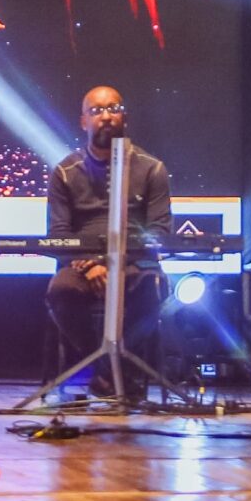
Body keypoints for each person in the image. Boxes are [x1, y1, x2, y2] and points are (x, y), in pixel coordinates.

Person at [45, 84, 173, 386]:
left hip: (134, 262)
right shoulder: (65, 172)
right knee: (61, 291)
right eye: (96, 110)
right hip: (82, 264)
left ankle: (121, 375)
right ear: (83, 121)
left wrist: (115, 263)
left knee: (150, 288)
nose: (105, 116)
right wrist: (90, 264)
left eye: (113, 109)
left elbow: (159, 231)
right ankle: (101, 368)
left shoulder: (152, 169)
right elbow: (59, 233)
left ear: (124, 117)